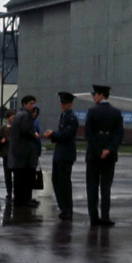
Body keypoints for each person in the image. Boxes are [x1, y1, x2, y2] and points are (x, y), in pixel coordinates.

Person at [85, 84, 123, 226]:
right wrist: (109, 149)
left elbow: (88, 134)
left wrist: (98, 150)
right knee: (106, 188)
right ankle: (105, 217)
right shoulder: (116, 113)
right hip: (109, 156)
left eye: (94, 95)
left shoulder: (92, 112)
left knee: (92, 187)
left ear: (100, 95)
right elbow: (119, 135)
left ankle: (94, 218)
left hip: (94, 156)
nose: (93, 97)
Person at [43, 92, 78, 220]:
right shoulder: (64, 115)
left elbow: (66, 134)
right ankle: (63, 207)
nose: (62, 105)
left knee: (64, 182)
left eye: (65, 103)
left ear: (70, 104)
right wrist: (53, 135)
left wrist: (53, 134)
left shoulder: (71, 117)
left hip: (66, 154)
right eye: (61, 103)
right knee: (57, 181)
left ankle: (67, 209)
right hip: (60, 153)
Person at [9, 96, 41, 207]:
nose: (32, 106)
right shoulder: (26, 115)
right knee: (26, 179)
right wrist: (34, 135)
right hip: (25, 155)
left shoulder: (18, 115)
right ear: (24, 104)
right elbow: (25, 131)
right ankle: (25, 200)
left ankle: (19, 201)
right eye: (30, 103)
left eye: (33, 103)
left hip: (18, 154)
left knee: (18, 181)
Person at [0, 110, 15, 199]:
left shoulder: (17, 128)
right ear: (8, 118)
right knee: (7, 175)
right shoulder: (4, 128)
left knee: (16, 174)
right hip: (6, 154)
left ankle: (15, 191)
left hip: (15, 154)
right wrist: (1, 141)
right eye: (12, 118)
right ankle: (9, 192)